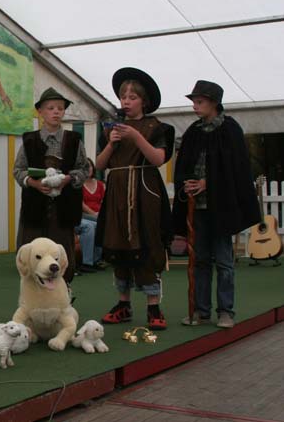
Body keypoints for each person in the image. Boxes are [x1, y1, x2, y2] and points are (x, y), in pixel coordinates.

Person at [173, 80, 260, 329]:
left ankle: (225, 311)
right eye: (194, 102)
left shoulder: (230, 130)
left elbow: (237, 169)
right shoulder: (193, 132)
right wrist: (187, 183)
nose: (195, 106)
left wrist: (207, 182)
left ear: (213, 103)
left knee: (223, 261)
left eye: (199, 102)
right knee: (200, 260)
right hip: (197, 209)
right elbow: (183, 165)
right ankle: (201, 311)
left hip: (221, 207)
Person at [96, 68, 175, 331]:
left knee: (148, 241)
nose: (126, 101)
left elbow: (158, 159)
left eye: (132, 97)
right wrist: (111, 143)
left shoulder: (158, 127)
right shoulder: (110, 128)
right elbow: (99, 165)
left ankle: (153, 306)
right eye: (123, 97)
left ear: (144, 101)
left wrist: (136, 136)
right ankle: (123, 304)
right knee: (117, 241)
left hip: (144, 191)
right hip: (118, 191)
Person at [13, 87, 89, 283]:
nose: (56, 112)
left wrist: (69, 179)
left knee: (62, 254)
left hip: (64, 209)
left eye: (60, 108)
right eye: (51, 108)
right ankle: (33, 295)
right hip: (34, 208)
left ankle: (64, 292)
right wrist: (34, 183)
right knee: (32, 254)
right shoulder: (29, 140)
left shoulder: (74, 140)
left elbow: (84, 169)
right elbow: (18, 170)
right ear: (40, 112)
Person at [75, 158, 106, 273]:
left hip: (99, 215)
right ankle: (86, 262)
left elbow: (105, 202)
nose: (88, 169)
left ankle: (96, 260)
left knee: (101, 224)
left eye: (89, 166)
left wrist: (101, 214)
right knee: (93, 226)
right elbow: (81, 204)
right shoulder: (78, 185)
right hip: (83, 216)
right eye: (84, 167)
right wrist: (94, 214)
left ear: (93, 168)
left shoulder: (101, 185)